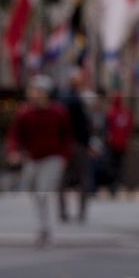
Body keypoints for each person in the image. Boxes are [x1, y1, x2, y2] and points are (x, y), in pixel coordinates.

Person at [6, 75, 72, 247]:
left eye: (35, 90)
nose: (32, 93)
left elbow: (66, 137)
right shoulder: (25, 113)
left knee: (42, 193)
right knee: (31, 188)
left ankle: (44, 229)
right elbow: (15, 135)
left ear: (45, 93)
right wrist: (14, 152)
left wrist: (64, 157)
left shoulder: (58, 112)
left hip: (52, 158)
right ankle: (43, 225)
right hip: (32, 158)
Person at [57, 69, 93, 223]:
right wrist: (87, 143)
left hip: (65, 144)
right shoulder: (76, 100)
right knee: (84, 179)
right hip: (77, 144)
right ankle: (81, 213)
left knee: (63, 180)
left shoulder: (62, 98)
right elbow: (83, 126)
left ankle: (64, 212)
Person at [105, 92, 135, 195]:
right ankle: (123, 184)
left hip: (113, 144)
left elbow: (107, 129)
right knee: (121, 165)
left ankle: (114, 186)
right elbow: (130, 129)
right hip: (123, 144)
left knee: (113, 165)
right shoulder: (126, 113)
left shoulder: (111, 114)